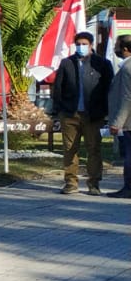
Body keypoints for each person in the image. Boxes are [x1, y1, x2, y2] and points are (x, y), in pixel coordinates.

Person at [49, 30, 114, 195]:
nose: (81, 47)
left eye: (84, 44)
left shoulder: (103, 64)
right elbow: (58, 89)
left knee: (94, 149)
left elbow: (109, 89)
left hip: (94, 115)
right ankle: (70, 182)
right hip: (70, 114)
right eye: (78, 44)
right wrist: (58, 111)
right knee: (70, 149)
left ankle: (94, 184)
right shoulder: (66, 63)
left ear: (91, 45)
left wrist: (107, 112)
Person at [106, 34, 131, 199]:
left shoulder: (128, 68)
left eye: (117, 45)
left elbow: (127, 97)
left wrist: (117, 123)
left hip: (129, 121)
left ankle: (128, 188)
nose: (115, 49)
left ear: (125, 49)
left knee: (129, 156)